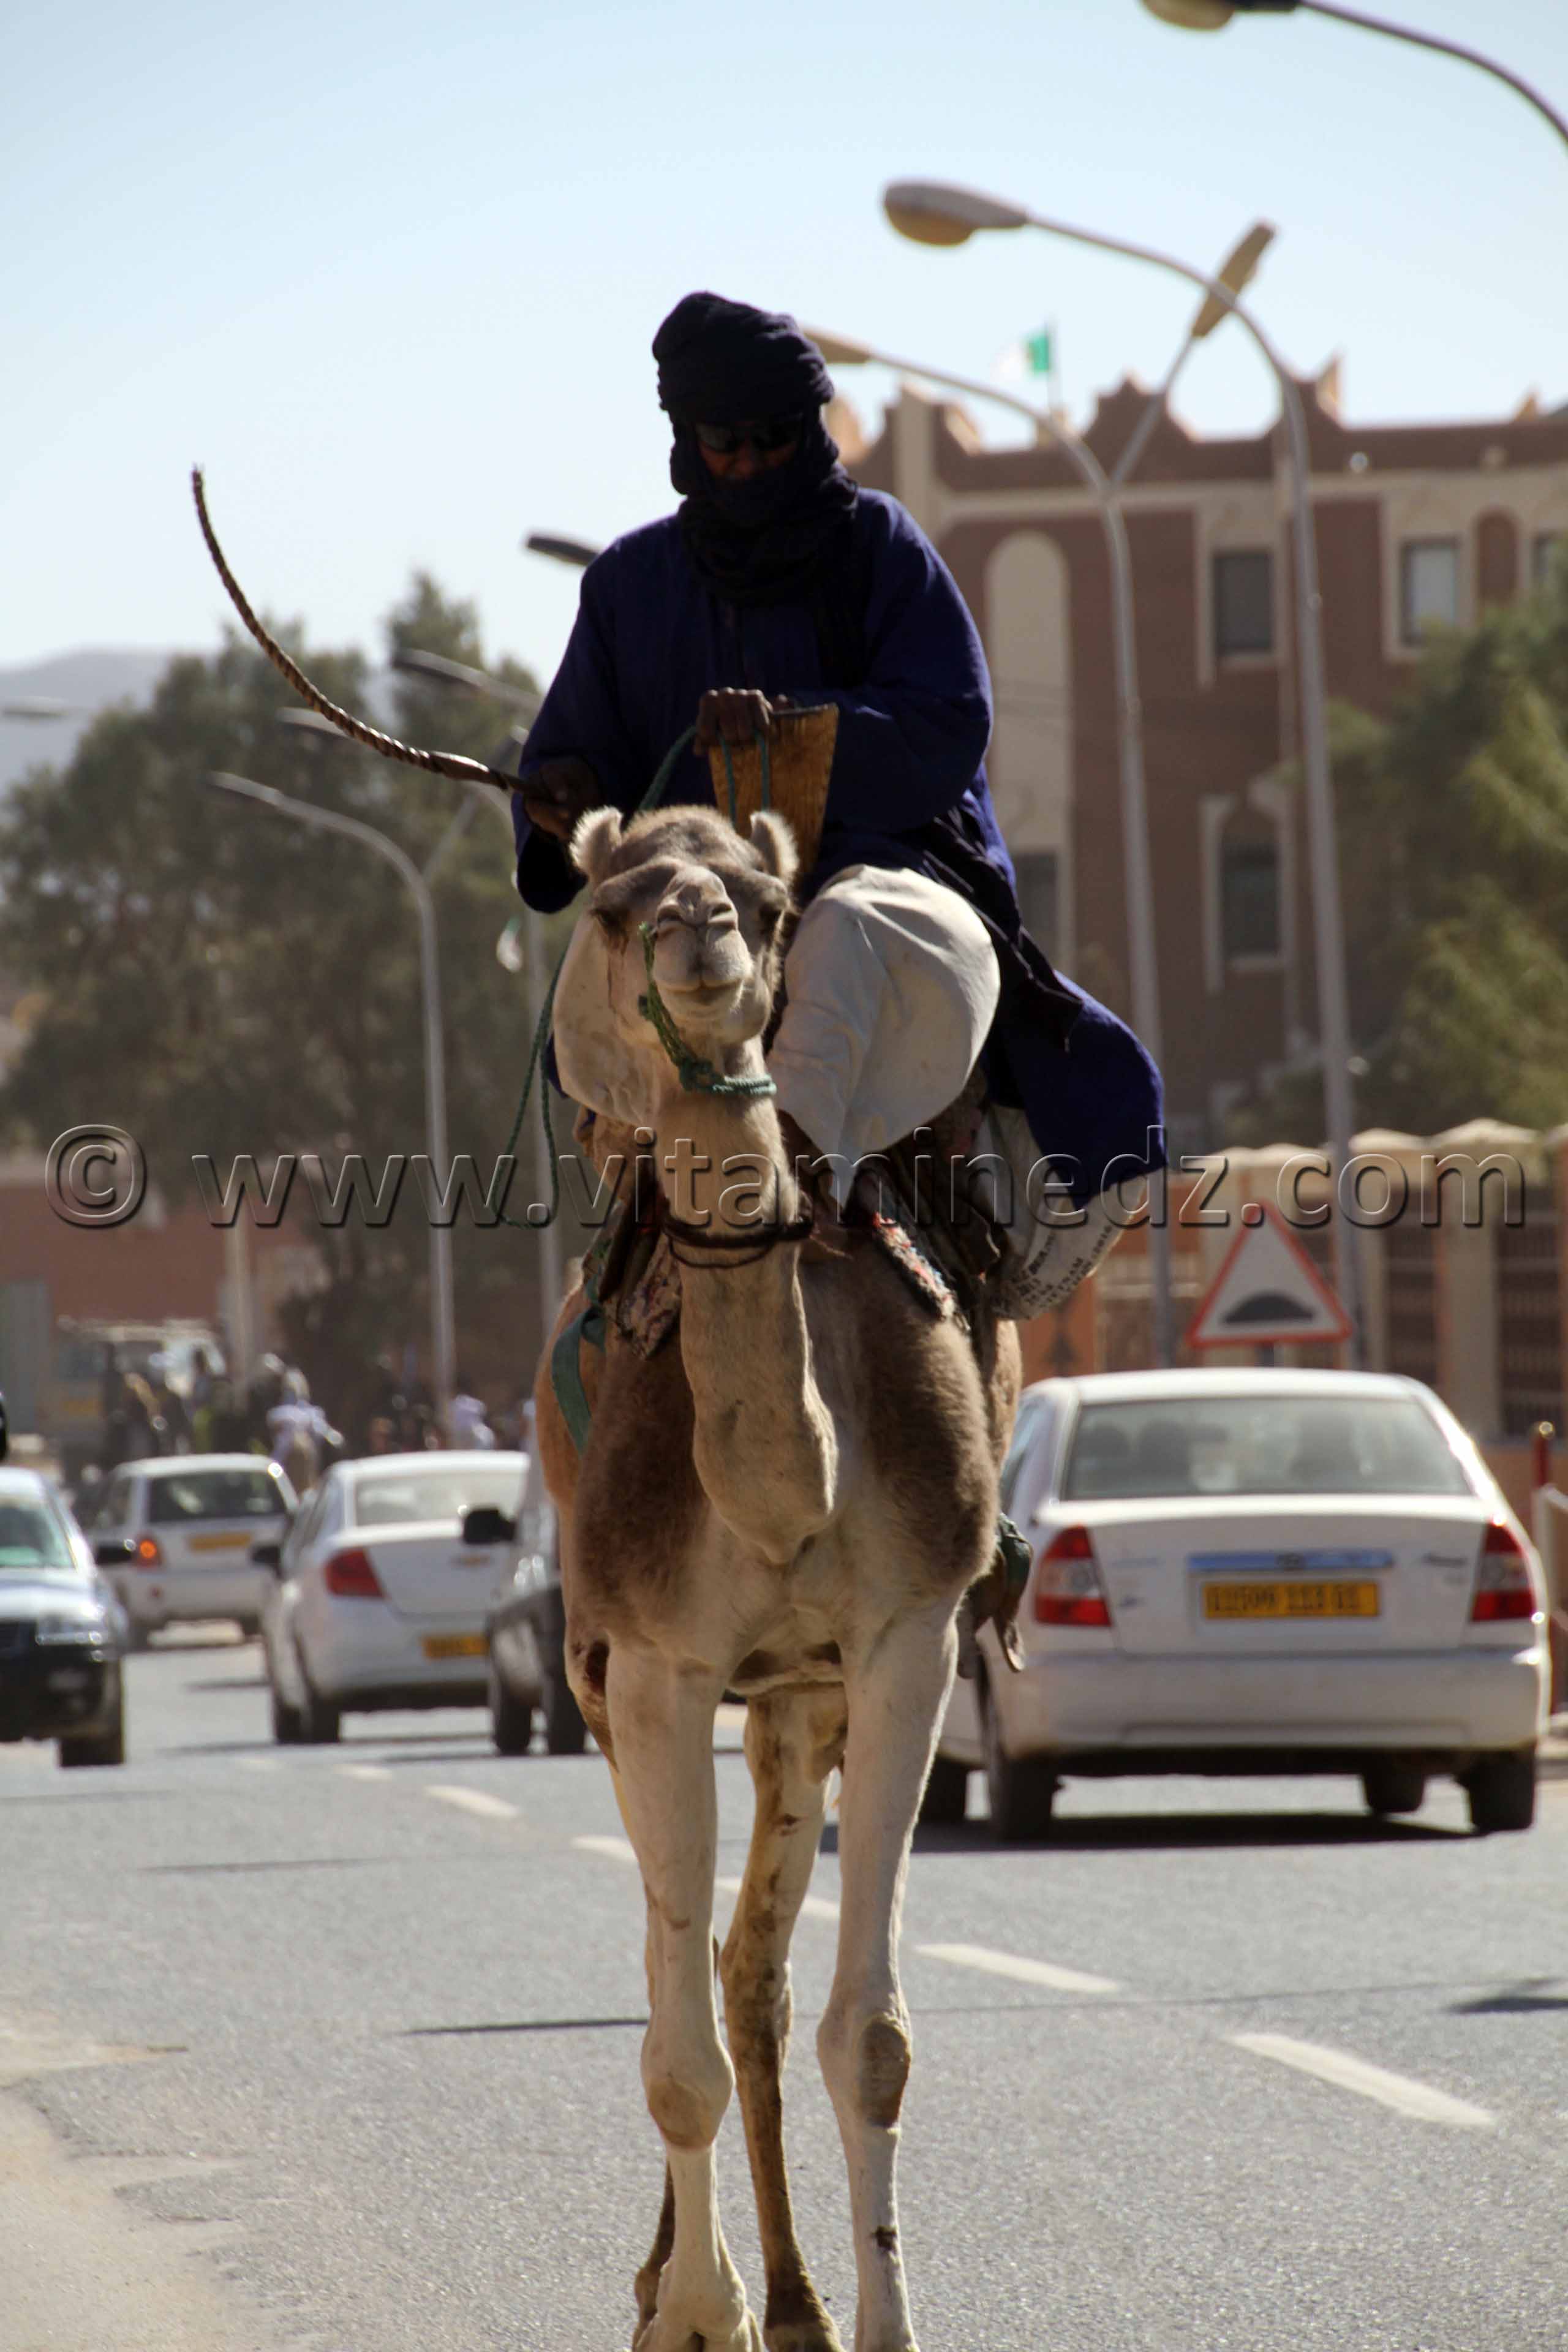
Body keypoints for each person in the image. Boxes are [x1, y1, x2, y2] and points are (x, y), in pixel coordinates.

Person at [513, 292, 1164, 1310]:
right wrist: (560, 803)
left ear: (810, 430)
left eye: (779, 437)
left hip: (881, 867)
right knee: (615, 984)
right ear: (690, 444)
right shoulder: (629, 589)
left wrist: (792, 726)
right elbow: (571, 772)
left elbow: (949, 722)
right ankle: (637, 1260)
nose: (757, 462)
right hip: (689, 901)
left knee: (844, 932)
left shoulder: (882, 551)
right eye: (730, 443)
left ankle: (794, 1174)